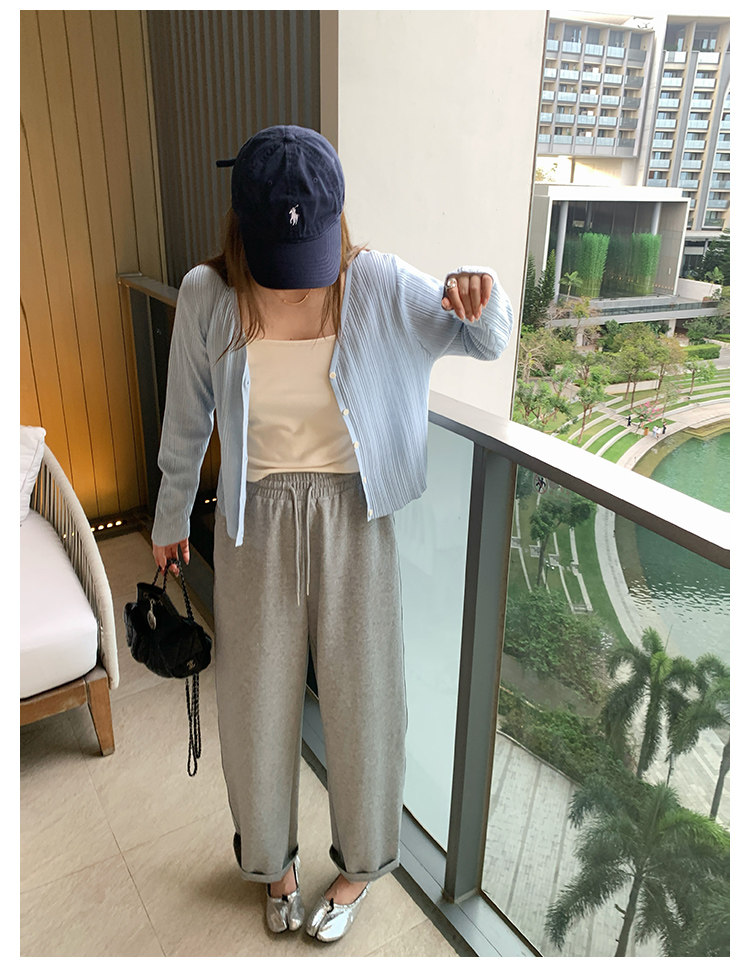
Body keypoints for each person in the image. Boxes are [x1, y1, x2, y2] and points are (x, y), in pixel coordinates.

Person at [151, 125, 513, 943]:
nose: (295, 277)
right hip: (253, 519)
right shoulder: (208, 293)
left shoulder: (374, 282)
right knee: (254, 702)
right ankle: (272, 866)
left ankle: (359, 867)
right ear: (242, 227)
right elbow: (186, 418)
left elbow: (484, 338)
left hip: (357, 513)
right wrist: (171, 518)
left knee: (366, 701)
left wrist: (481, 292)